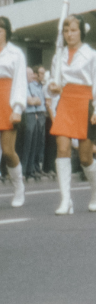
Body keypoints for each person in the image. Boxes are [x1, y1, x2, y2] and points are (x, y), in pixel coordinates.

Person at [48, 16, 96, 214]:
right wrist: (53, 88)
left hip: (85, 103)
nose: (69, 34)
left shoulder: (92, 56)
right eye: (66, 31)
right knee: (62, 147)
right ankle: (66, 199)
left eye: (73, 30)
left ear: (81, 31)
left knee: (85, 157)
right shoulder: (59, 55)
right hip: (66, 102)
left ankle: (95, 191)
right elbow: (53, 84)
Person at [0, 17, 27, 208]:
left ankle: (18, 187)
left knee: (8, 151)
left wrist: (17, 108)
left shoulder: (16, 53)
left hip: (7, 100)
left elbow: (20, 82)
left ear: (7, 32)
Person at [22, 65, 45, 180]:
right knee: (27, 144)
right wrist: (35, 100)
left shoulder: (29, 86)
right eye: (30, 74)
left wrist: (35, 100)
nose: (33, 76)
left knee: (34, 144)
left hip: (33, 114)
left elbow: (38, 101)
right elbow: (31, 101)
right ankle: (23, 170)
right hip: (27, 114)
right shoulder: (23, 86)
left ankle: (30, 170)